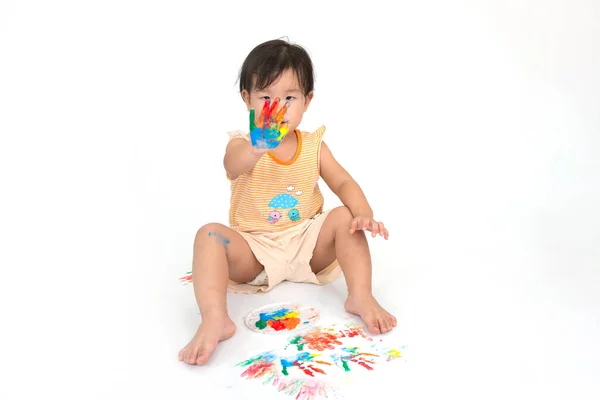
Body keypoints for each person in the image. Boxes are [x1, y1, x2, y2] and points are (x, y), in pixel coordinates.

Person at [179, 39, 396, 365]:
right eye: (265, 97)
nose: (276, 107)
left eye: (289, 98)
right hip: (255, 250)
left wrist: (363, 214)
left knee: (341, 216)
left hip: (308, 245)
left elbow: (343, 182)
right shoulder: (242, 144)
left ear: (307, 101)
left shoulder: (313, 146)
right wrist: (257, 146)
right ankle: (214, 319)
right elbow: (232, 165)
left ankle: (361, 295)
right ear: (246, 100)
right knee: (208, 234)